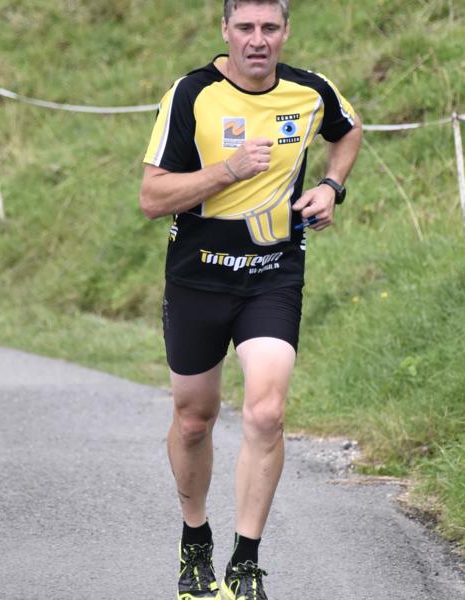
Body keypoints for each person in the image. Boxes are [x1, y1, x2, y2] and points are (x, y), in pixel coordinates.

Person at [139, 1, 362, 598]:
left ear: (285, 32)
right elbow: (153, 197)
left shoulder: (310, 92)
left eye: (269, 28)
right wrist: (228, 170)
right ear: (226, 31)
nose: (257, 40)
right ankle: (195, 539)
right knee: (194, 419)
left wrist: (331, 186)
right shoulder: (191, 94)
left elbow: (348, 129)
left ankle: (245, 562)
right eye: (245, 28)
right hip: (198, 277)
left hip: (272, 273)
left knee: (266, 413)